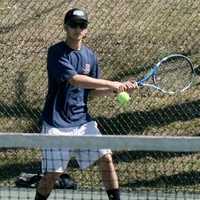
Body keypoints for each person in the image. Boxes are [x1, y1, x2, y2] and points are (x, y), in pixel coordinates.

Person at [35, 8, 137, 200]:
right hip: (56, 124)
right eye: (73, 24)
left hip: (82, 122)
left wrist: (118, 89)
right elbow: (75, 80)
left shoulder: (90, 57)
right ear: (66, 27)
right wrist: (112, 83)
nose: (77, 29)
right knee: (52, 175)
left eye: (82, 25)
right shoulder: (56, 52)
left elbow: (90, 93)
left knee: (106, 158)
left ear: (86, 29)